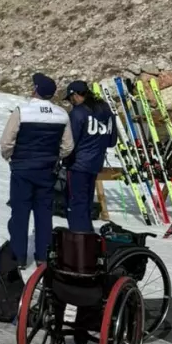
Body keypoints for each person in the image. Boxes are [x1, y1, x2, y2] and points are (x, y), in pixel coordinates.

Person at [0, 73, 73, 267]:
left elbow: (7, 141)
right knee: (44, 214)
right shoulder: (61, 114)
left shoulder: (22, 111)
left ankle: (19, 257)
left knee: (20, 213)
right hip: (47, 170)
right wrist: (55, 157)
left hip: (22, 169)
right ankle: (43, 256)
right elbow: (68, 146)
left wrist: (10, 157)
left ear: (36, 90)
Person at [64, 81, 117, 232]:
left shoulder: (78, 113)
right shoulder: (106, 110)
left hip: (77, 165)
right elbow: (112, 141)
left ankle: (79, 242)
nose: (70, 102)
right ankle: (87, 238)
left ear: (75, 95)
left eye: (70, 98)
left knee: (76, 204)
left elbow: (69, 143)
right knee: (86, 203)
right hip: (95, 164)